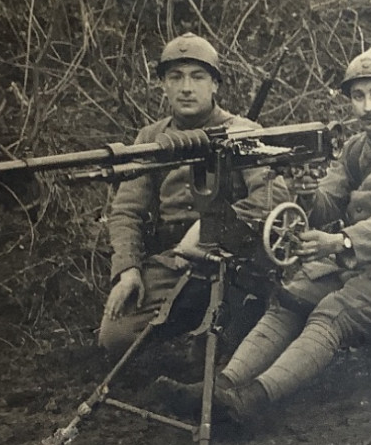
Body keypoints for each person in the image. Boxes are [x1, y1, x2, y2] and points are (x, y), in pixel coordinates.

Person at [164, 48, 371, 422]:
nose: (367, 106)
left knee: (332, 313)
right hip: (353, 264)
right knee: (290, 296)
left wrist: (340, 241)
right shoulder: (355, 148)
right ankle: (220, 386)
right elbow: (327, 204)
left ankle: (253, 400)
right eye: (358, 96)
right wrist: (307, 191)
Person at [98, 32, 287, 360]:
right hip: (177, 262)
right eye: (176, 77)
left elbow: (272, 196)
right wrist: (127, 269)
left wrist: (208, 228)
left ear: (215, 84)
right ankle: (187, 323)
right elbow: (126, 211)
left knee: (223, 354)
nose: (186, 87)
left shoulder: (242, 130)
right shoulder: (150, 138)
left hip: (233, 260)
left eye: (198, 77)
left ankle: (226, 331)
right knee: (115, 336)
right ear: (163, 85)